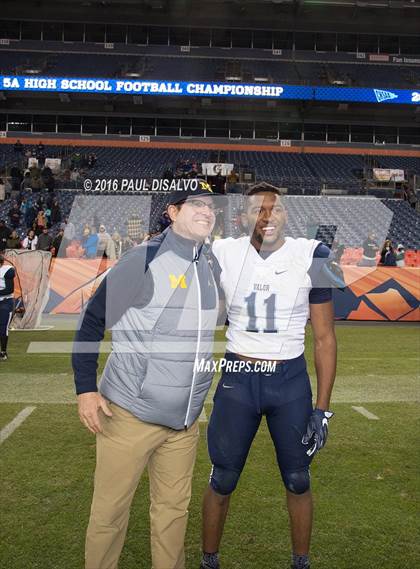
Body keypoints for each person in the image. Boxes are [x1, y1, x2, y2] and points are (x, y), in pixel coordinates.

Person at [72, 184, 222, 569]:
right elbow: (91, 322)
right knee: (109, 514)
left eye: (211, 206)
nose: (207, 211)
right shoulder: (143, 259)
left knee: (173, 516)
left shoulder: (210, 263)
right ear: (172, 212)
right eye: (196, 205)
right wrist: (86, 390)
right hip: (129, 415)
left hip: (184, 422)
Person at [200, 183, 338, 569]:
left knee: (298, 478)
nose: (266, 217)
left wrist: (322, 408)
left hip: (289, 380)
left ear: (285, 214)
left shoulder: (312, 255)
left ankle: (301, 562)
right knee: (222, 478)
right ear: (244, 217)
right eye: (257, 210)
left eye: (273, 209)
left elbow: (324, 338)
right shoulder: (221, 252)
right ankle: (209, 560)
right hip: (239, 377)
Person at [0, 254, 15, 360]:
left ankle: (3, 352)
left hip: (5, 302)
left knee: (3, 327)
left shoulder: (7, 270)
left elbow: (9, 289)